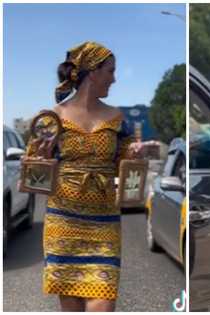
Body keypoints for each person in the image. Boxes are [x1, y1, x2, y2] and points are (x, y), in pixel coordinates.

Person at [24, 41, 146, 312]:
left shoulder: (116, 118)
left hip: (104, 224)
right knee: (71, 304)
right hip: (63, 223)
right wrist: (41, 161)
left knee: (103, 302)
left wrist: (134, 154)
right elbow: (33, 178)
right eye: (110, 71)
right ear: (92, 72)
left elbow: (124, 162)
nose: (114, 79)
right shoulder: (50, 119)